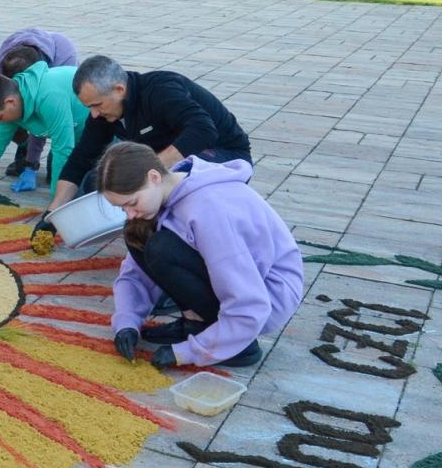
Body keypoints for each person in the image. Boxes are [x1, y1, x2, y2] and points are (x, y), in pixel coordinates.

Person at [103, 143, 302, 369]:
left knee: (162, 248)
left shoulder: (208, 209)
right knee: (135, 234)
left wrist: (191, 352)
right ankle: (197, 324)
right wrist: (126, 322)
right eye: (122, 208)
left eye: (132, 203)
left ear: (154, 177)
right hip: (245, 291)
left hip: (267, 299)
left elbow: (250, 302)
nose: (129, 213)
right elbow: (136, 273)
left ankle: (237, 344)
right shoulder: (163, 195)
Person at [39, 54, 252, 236]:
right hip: (171, 163)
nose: (94, 114)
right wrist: (52, 214)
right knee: (96, 179)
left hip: (224, 155)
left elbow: (203, 130)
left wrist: (148, 168)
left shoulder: (161, 90)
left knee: (157, 184)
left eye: (97, 105)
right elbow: (81, 158)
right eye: (89, 108)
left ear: (119, 89)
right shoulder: (103, 114)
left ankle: (184, 233)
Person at [0, 55, 89, 208]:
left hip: (105, 134)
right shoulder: (15, 101)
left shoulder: (48, 96)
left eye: (0, 117)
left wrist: (56, 205)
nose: (0, 122)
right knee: (64, 180)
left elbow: (63, 149)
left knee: (86, 191)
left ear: (10, 102)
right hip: (75, 134)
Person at [0, 27, 80, 186]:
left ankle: (34, 157)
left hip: (78, 124)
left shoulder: (53, 86)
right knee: (4, 117)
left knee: (63, 166)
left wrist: (33, 168)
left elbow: (52, 133)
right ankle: (24, 150)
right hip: (31, 104)